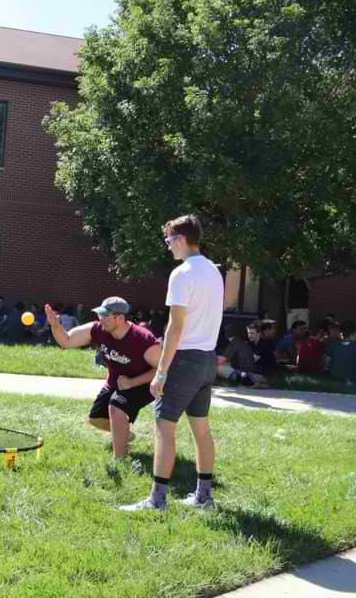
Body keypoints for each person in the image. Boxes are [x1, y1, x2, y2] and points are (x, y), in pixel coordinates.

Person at [122, 214, 223, 512]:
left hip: (185, 359)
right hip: (207, 359)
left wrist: (161, 372)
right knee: (201, 428)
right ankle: (204, 497)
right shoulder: (214, 271)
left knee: (164, 426)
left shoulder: (181, 274)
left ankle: (157, 500)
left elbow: (175, 328)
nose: (168, 247)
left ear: (181, 239)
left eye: (169, 241)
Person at [47, 297, 161, 460]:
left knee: (116, 406)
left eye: (105, 316)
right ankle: (125, 435)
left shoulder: (142, 339)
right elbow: (67, 341)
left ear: (119, 318)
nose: (100, 319)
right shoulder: (98, 329)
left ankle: (120, 460)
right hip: (116, 381)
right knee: (95, 419)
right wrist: (55, 326)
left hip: (144, 383)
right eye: (100, 315)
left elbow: (161, 369)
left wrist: (132, 382)